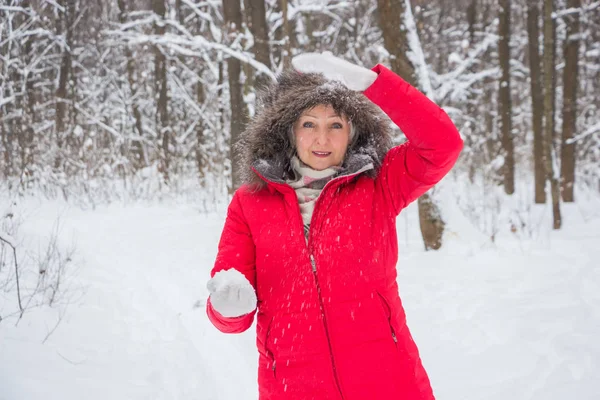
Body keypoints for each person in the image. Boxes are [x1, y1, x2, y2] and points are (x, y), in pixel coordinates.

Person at [206, 52, 463, 400]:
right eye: (309, 124)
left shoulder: (379, 184)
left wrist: (376, 86)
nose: (322, 140)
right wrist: (227, 309)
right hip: (293, 387)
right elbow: (231, 301)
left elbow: (442, 144)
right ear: (288, 131)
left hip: (388, 382)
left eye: (336, 125)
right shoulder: (250, 203)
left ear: (353, 132)